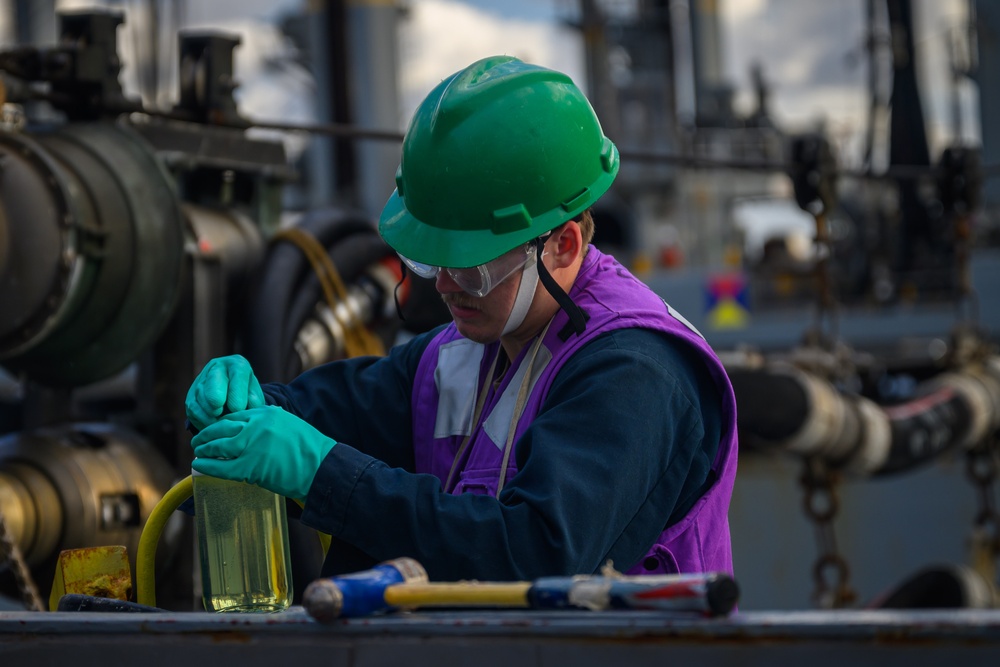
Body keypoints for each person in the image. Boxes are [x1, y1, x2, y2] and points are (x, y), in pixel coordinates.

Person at [186, 55, 739, 582]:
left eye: (472, 269)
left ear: (563, 246)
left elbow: (533, 552)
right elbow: (342, 410)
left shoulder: (636, 372)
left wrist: (320, 471)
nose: (446, 287)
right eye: (429, 261)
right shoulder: (464, 351)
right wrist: (250, 406)